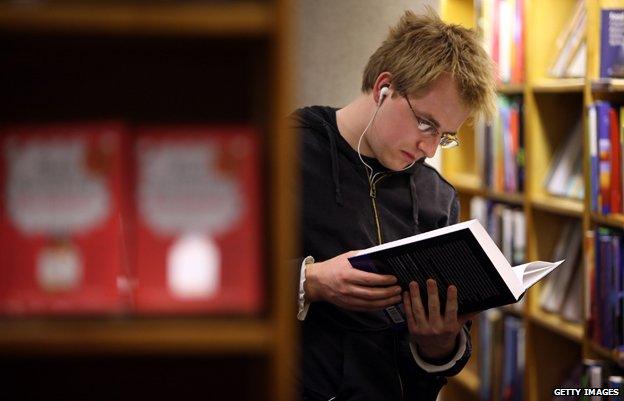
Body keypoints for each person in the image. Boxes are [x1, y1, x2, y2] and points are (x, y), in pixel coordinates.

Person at [291, 8, 497, 401]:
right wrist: (310, 282)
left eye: (446, 136)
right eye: (426, 123)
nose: (430, 148)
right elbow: (222, 281)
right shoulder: (289, 151)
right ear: (384, 88)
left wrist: (440, 344)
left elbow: (442, 357)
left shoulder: (438, 197)